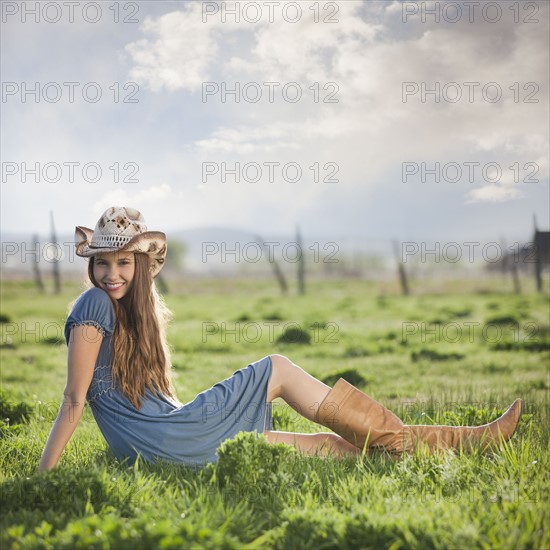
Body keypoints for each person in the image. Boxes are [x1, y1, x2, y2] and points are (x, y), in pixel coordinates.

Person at [38, 207, 523, 471]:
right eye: (103, 262)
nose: (111, 273)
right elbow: (74, 400)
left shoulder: (136, 319)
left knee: (334, 449)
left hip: (169, 440)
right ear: (92, 265)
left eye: (123, 262)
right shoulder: (94, 305)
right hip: (170, 439)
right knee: (278, 367)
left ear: (140, 267)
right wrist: (42, 477)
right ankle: (455, 441)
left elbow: (151, 404)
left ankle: (464, 441)